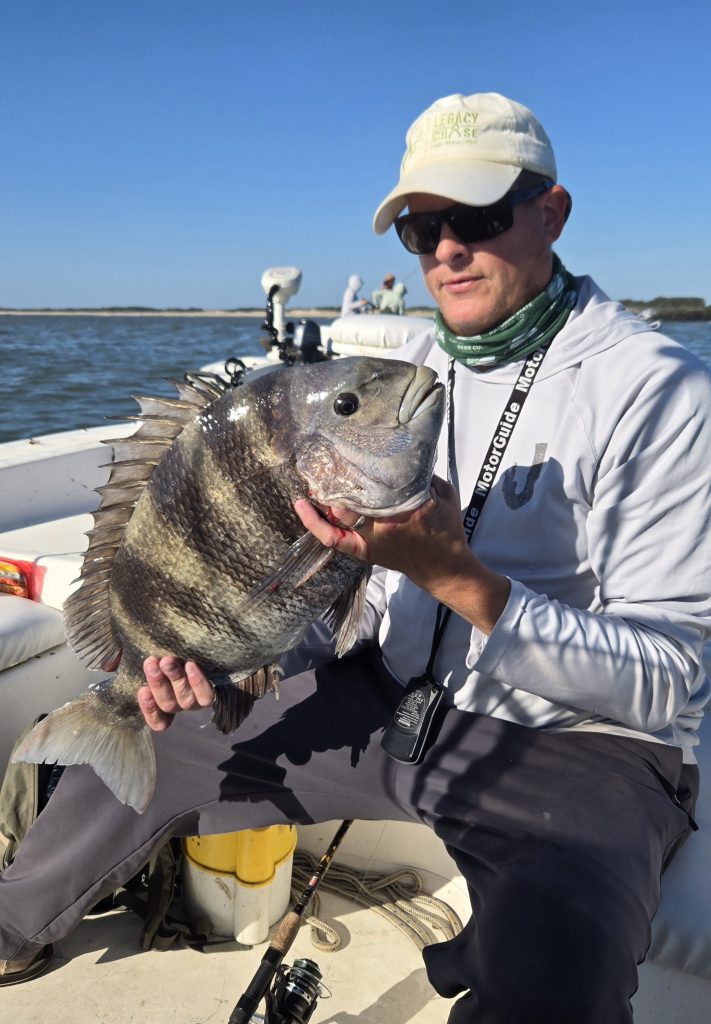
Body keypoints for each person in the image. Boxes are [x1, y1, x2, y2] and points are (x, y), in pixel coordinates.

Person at [2, 90, 711, 1024]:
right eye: (421, 229)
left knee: (553, 973)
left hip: (579, 747)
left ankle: (499, 945)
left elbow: (670, 679)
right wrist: (218, 668)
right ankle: (11, 926)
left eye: (477, 218)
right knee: (136, 745)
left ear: (551, 211)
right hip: (385, 697)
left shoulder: (661, 394)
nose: (445, 250)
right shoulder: (405, 372)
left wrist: (459, 580)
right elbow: (340, 609)